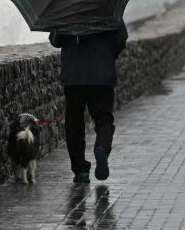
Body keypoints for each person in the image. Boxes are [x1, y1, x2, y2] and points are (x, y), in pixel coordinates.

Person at [49, 20, 128, 183]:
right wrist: (107, 54)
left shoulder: (65, 10)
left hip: (73, 75)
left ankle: (80, 171)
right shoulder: (107, 5)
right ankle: (101, 148)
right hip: (101, 73)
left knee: (74, 122)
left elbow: (55, 40)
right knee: (104, 119)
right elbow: (121, 37)